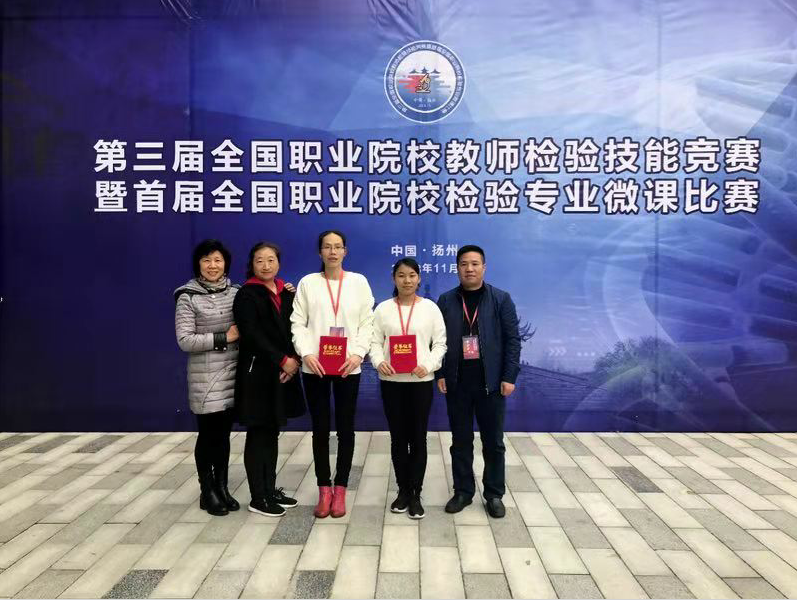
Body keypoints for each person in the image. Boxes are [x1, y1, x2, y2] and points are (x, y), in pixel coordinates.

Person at [291, 230, 375, 518]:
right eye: (327, 247)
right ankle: (323, 488)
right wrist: (306, 353)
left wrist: (358, 353)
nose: (333, 252)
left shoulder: (359, 282)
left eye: (338, 247)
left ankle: (341, 488)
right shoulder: (308, 283)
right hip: (315, 366)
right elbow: (298, 323)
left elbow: (367, 323)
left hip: (347, 366)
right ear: (320, 252)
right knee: (320, 428)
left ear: (345, 251)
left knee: (346, 428)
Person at [436, 245, 521, 519]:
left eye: (474, 263)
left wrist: (509, 376)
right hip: (458, 383)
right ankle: (463, 491)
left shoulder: (500, 299)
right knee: (460, 441)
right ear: (457, 268)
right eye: (464, 264)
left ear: (484, 267)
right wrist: (440, 374)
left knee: (493, 442)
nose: (469, 269)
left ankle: (494, 494)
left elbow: (512, 340)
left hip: (491, 384)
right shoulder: (446, 300)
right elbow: (436, 341)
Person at [370, 258, 446, 519]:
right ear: (394, 279)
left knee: (418, 438)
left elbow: (440, 344)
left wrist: (429, 365)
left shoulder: (430, 309)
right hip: (392, 382)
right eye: (401, 275)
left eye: (412, 275)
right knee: (398, 438)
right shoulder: (383, 309)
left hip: (420, 382)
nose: (407, 280)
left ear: (419, 278)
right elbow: (374, 342)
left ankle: (416, 493)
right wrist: (378, 362)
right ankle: (402, 490)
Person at [233, 242, 305, 517]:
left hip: (283, 373)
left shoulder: (286, 293)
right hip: (258, 374)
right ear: (252, 265)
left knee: (272, 432)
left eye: (271, 260)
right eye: (259, 260)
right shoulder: (246, 295)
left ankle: (270, 489)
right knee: (258, 433)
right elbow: (252, 334)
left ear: (279, 263)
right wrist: (282, 360)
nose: (266, 265)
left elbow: (295, 329)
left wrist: (294, 360)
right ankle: (258, 497)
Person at [174, 239, 240, 517]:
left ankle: (222, 487)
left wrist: (286, 290)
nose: (213, 266)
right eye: (206, 260)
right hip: (206, 379)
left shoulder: (236, 292)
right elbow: (185, 340)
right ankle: (207, 491)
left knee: (223, 435)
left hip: (233, 375)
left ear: (225, 263)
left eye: (217, 260)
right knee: (208, 435)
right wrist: (225, 337)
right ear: (198, 264)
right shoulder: (187, 296)